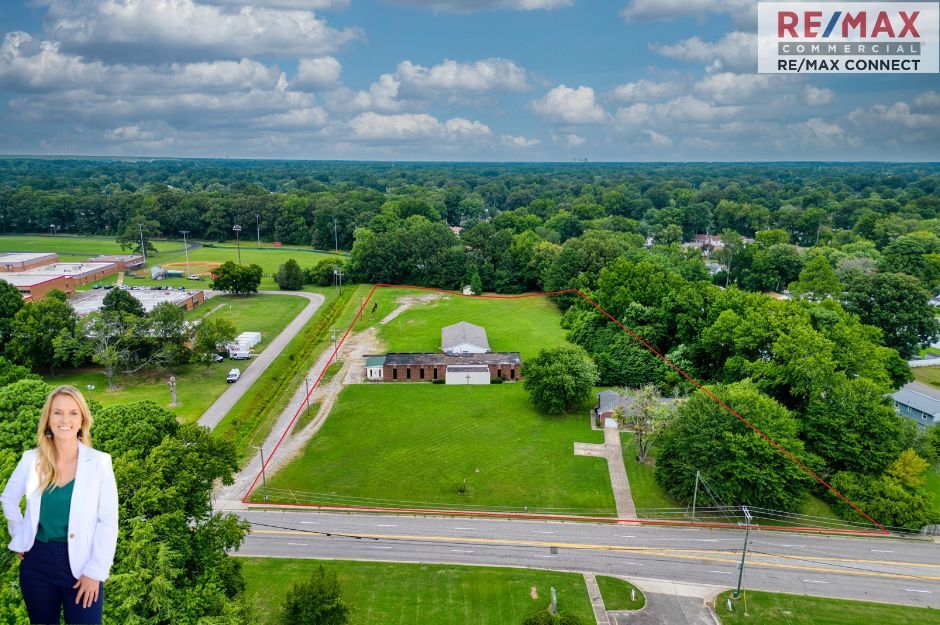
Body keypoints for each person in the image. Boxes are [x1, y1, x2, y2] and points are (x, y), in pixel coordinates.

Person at [1, 385, 119, 625]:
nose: (65, 419)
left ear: (82, 419)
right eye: (58, 412)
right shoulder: (30, 459)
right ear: (48, 419)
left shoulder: (99, 463)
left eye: (73, 413)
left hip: (81, 566)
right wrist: (20, 535)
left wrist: (94, 572)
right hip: (37, 564)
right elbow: (8, 499)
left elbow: (107, 521)